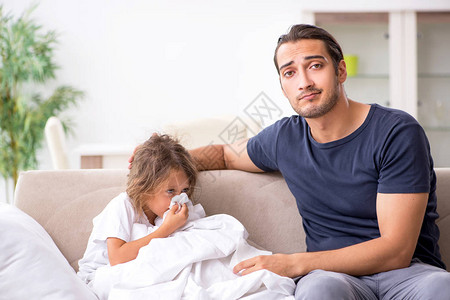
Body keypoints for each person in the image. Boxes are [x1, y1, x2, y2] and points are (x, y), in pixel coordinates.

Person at [185, 24, 450, 299]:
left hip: (408, 274)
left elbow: (396, 251)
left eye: (315, 66)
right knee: (320, 290)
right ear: (283, 86)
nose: (304, 82)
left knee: (442, 288)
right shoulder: (284, 138)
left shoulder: (396, 132)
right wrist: (162, 158)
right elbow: (225, 155)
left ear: (341, 71)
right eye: (290, 72)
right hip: (332, 277)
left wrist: (294, 263)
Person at [78, 133, 197, 296]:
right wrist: (166, 229)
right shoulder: (123, 206)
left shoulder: (164, 211)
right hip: (100, 277)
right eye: (170, 191)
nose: (179, 199)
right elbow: (117, 258)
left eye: (184, 190)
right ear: (145, 188)